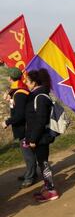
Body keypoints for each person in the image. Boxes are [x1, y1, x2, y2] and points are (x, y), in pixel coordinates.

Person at [25, 69, 59, 202]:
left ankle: (51, 191)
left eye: (28, 81)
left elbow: (40, 120)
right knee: (42, 162)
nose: (26, 84)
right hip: (38, 136)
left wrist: (33, 139)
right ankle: (47, 187)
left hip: (41, 138)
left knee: (44, 164)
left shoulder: (40, 97)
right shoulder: (37, 95)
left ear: (34, 82)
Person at [2, 68, 36, 188]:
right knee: (28, 152)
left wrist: (7, 121)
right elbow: (16, 107)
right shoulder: (19, 91)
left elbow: (20, 115)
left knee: (28, 154)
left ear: (10, 78)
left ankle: (30, 177)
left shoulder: (20, 93)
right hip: (24, 127)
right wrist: (9, 97)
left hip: (25, 128)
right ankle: (30, 172)